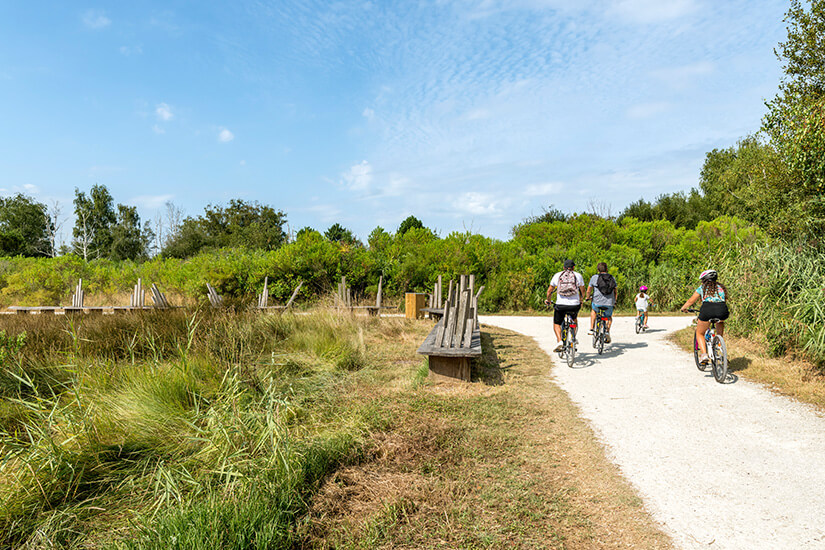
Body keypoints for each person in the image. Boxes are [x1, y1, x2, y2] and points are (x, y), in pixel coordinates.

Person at [680, 269, 729, 364]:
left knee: (700, 333)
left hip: (707, 309)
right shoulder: (721, 288)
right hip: (722, 309)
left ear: (704, 280)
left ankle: (704, 354)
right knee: (720, 321)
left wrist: (684, 308)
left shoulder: (702, 288)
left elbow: (691, 301)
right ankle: (719, 343)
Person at [544, 259, 586, 352]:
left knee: (557, 324)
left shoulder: (557, 275)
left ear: (563, 267)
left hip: (561, 305)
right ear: (573, 267)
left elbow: (549, 291)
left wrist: (549, 300)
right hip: (574, 305)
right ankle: (573, 338)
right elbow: (583, 290)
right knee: (574, 320)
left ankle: (559, 341)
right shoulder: (578, 275)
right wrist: (581, 299)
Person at [585, 262, 617, 343]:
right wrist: (614, 300)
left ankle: (591, 329)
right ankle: (607, 331)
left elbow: (589, 290)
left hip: (597, 302)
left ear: (598, 270)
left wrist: (587, 297)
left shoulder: (594, 277)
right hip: (609, 303)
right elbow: (615, 291)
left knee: (594, 310)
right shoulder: (612, 277)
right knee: (609, 317)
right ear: (607, 269)